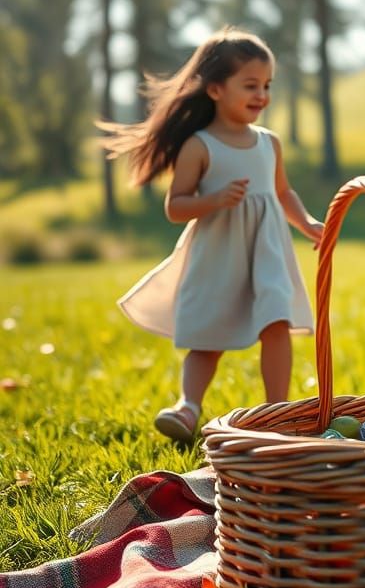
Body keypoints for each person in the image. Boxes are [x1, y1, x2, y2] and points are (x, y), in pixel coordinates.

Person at [100, 28, 324, 442]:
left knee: (277, 320)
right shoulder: (200, 146)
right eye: (251, 85)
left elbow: (282, 192)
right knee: (209, 336)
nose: (262, 95)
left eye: (267, 85)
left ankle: (277, 410)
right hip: (219, 255)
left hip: (267, 253)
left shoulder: (268, 144)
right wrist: (216, 199)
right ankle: (188, 407)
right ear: (217, 89)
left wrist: (307, 222)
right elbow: (176, 206)